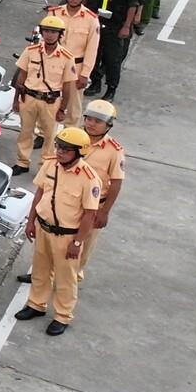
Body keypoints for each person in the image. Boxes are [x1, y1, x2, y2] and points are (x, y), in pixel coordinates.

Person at [15, 125, 102, 336]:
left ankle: (62, 316)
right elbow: (40, 192)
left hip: (67, 235)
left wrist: (78, 242)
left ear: (79, 152)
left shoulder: (89, 178)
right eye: (59, 146)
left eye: (66, 149)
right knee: (40, 270)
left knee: (65, 279)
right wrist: (30, 221)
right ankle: (36, 304)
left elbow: (89, 214)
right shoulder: (51, 164)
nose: (60, 151)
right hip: (44, 228)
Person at [12, 14, 78, 173]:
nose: (49, 35)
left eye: (54, 32)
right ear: (41, 32)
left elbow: (68, 86)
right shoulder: (31, 50)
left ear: (60, 34)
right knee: (25, 132)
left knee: (50, 136)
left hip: (51, 101)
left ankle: (45, 166)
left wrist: (63, 108)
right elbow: (21, 75)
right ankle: (22, 162)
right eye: (46, 31)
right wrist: (15, 100)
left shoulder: (67, 57)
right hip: (28, 97)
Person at [72, 99, 124, 281]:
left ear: (108, 125)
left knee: (83, 246)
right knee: (57, 240)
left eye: (98, 121)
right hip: (68, 200)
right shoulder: (73, 137)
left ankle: (72, 277)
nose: (91, 124)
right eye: (89, 119)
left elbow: (116, 183)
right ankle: (46, 274)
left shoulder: (114, 151)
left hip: (93, 206)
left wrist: (105, 212)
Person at [85, 0, 141, 100]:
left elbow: (132, 5)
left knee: (112, 59)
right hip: (96, 23)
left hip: (116, 26)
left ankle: (111, 88)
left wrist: (126, 26)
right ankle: (95, 83)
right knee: (94, 55)